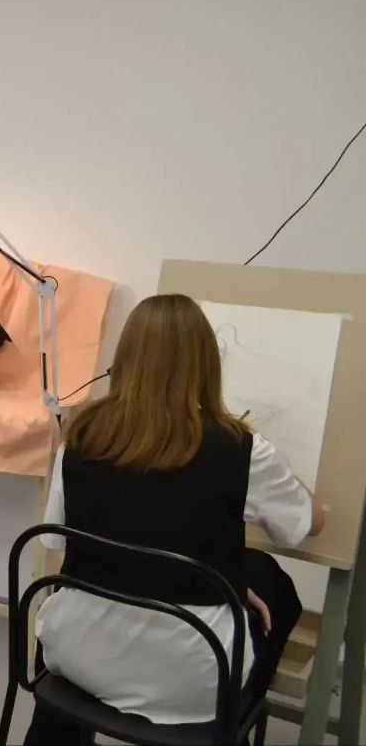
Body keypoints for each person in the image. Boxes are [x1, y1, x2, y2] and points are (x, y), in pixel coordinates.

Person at [26, 294, 324, 743]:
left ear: (126, 359)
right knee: (274, 585)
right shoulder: (242, 448)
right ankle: (230, 729)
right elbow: (307, 524)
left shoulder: (81, 436)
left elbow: (62, 539)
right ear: (206, 364)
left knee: (251, 570)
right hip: (190, 680)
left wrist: (223, 578)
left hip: (75, 653)